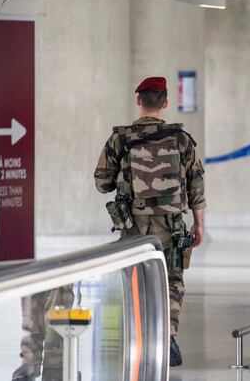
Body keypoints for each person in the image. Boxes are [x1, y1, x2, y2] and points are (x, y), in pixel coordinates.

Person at [94, 76, 206, 367]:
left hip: (132, 223)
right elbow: (196, 185)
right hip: (172, 223)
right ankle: (167, 337)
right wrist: (199, 224)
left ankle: (136, 339)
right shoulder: (182, 139)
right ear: (166, 103)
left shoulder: (120, 138)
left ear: (138, 101)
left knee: (132, 278)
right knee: (172, 279)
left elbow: (102, 183)